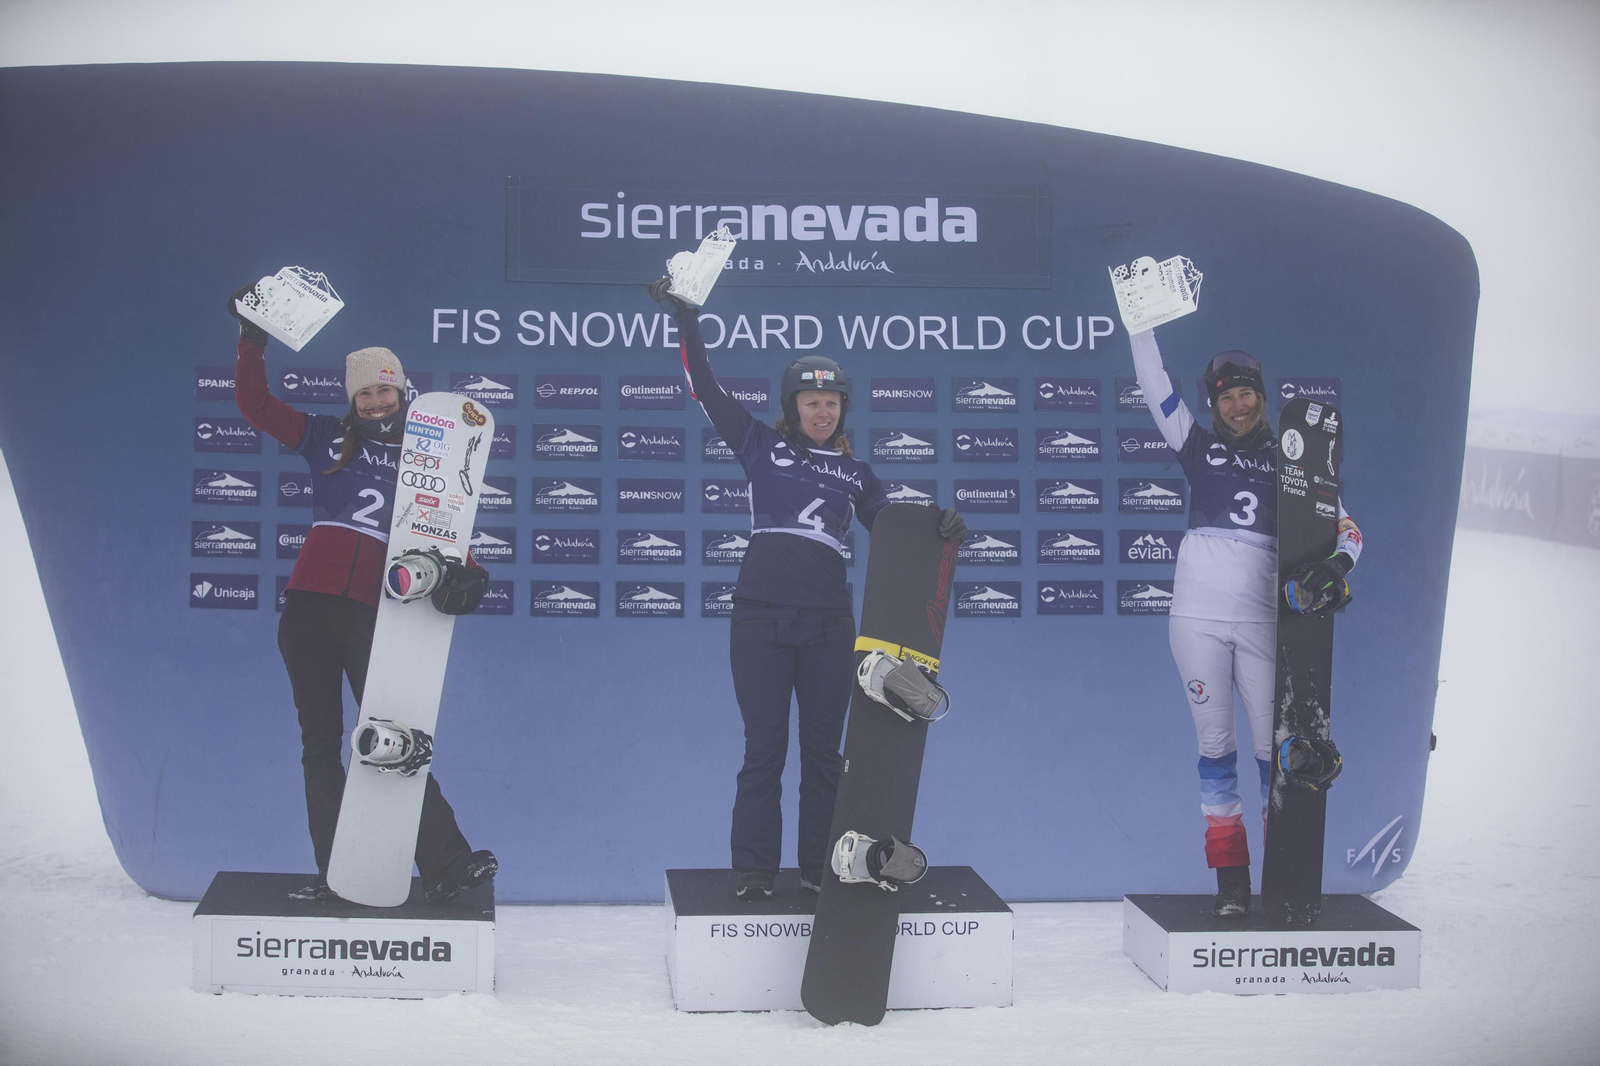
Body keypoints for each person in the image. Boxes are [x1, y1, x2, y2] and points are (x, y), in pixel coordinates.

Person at [649, 278, 966, 900]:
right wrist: (688, 320)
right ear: (791, 407)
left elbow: (896, 530)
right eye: (811, 402)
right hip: (760, 620)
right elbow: (704, 387)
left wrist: (940, 526)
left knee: (825, 755)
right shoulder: (758, 444)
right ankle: (755, 873)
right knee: (764, 750)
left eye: (833, 403)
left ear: (844, 410)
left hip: (827, 625)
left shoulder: (857, 473)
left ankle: (820, 868)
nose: (823, 411)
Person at [229, 285, 497, 903]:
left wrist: (471, 571)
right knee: (320, 743)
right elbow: (254, 403)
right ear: (353, 398)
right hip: (308, 610)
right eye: (365, 391)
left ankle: (448, 864)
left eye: (385, 388)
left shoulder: (429, 458)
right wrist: (252, 339)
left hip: (373, 615)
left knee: (395, 738)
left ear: (403, 392)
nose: (376, 400)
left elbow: (447, 532)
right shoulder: (324, 437)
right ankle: (337, 874)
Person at [1128, 328, 1363, 918]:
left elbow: (1351, 531)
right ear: (1213, 404)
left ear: (1262, 396)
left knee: (1271, 753)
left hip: (1262, 622)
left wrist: (1336, 565)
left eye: (1248, 393)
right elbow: (1153, 384)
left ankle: (1281, 877)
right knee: (1215, 752)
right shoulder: (1194, 445)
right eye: (1227, 396)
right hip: (1196, 622)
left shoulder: (1293, 463)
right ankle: (1231, 883)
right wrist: (1140, 325)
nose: (1239, 404)